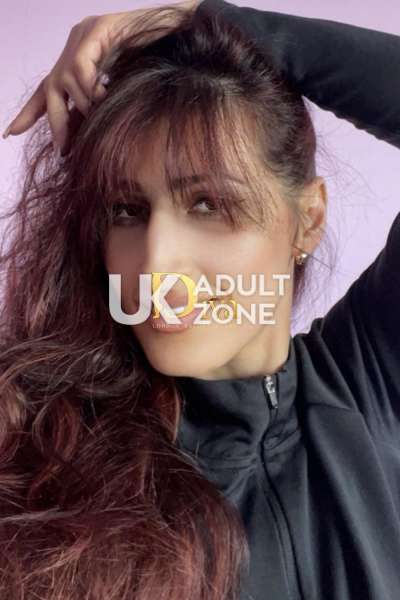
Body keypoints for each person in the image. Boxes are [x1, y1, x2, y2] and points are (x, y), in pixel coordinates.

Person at [1, 1, 400, 599]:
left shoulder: (369, 380)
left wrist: (210, 17)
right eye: (126, 210)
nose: (155, 264)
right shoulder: (39, 455)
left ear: (309, 219)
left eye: (208, 205)